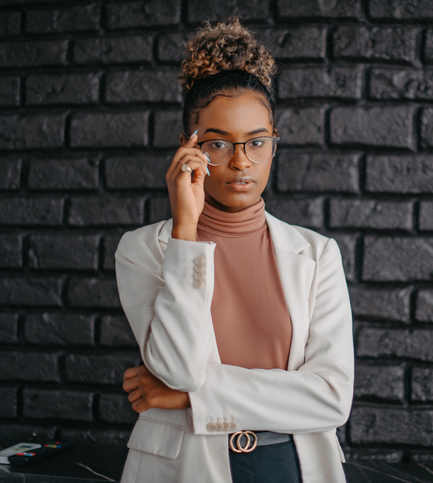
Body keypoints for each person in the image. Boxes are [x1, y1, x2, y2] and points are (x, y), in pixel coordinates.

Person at [113, 17, 354, 483]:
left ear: (274, 145)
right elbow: (180, 368)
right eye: (218, 143)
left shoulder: (318, 253)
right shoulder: (144, 249)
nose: (241, 161)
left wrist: (190, 398)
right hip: (186, 468)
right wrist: (186, 229)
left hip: (293, 465)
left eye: (257, 142)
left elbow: (331, 398)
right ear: (191, 147)